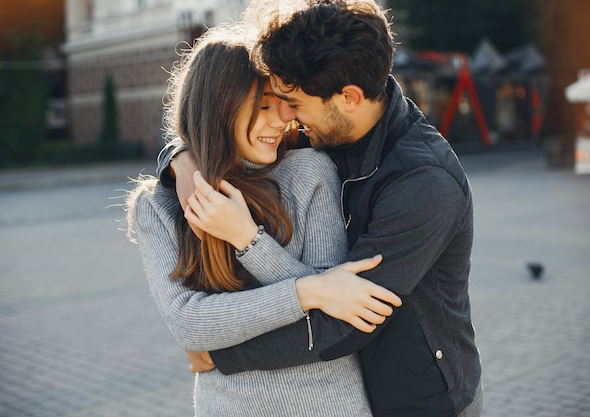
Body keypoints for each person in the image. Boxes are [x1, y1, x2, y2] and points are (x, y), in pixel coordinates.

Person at [159, 1, 483, 416]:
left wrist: (221, 358)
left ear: (348, 97)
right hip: (357, 391)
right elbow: (215, 123)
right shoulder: (325, 130)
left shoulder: (424, 184)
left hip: (422, 399)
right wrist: (182, 158)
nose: (286, 117)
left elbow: (346, 320)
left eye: (293, 101)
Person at [126, 23, 401, 416]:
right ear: (221, 106)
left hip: (327, 403)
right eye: (265, 106)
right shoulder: (158, 206)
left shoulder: (309, 172)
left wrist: (249, 241)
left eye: (284, 104)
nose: (282, 120)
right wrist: (306, 292)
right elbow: (188, 324)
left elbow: (333, 314)